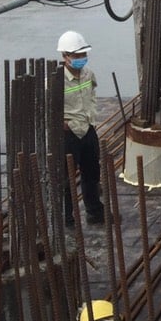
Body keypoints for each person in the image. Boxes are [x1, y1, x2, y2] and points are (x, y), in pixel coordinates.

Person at [58, 30, 105, 226]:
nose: (81, 59)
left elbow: (93, 93)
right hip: (69, 135)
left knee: (92, 173)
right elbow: (47, 107)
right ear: (65, 57)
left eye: (83, 54)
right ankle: (67, 219)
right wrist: (63, 124)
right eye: (76, 56)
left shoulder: (88, 74)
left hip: (87, 129)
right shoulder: (55, 80)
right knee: (67, 179)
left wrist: (92, 115)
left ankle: (94, 212)